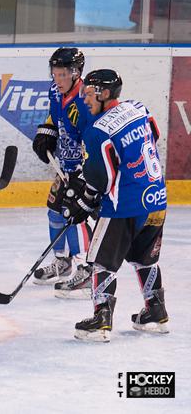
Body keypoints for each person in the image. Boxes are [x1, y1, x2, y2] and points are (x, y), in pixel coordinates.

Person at [62, 69, 169, 342]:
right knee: (145, 258)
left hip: (124, 206)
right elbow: (153, 137)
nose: (84, 99)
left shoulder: (97, 131)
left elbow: (100, 180)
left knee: (101, 263)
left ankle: (101, 320)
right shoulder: (139, 108)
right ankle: (155, 312)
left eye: (88, 94)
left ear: (104, 93)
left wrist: (83, 204)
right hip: (156, 198)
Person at [31, 47, 95, 297]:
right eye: (54, 74)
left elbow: (94, 137)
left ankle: (85, 270)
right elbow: (54, 119)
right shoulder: (55, 92)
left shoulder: (86, 100)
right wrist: (46, 133)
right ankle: (63, 263)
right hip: (65, 166)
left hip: (85, 169)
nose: (56, 80)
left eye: (61, 75)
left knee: (75, 215)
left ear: (76, 73)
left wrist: (86, 171)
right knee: (54, 212)